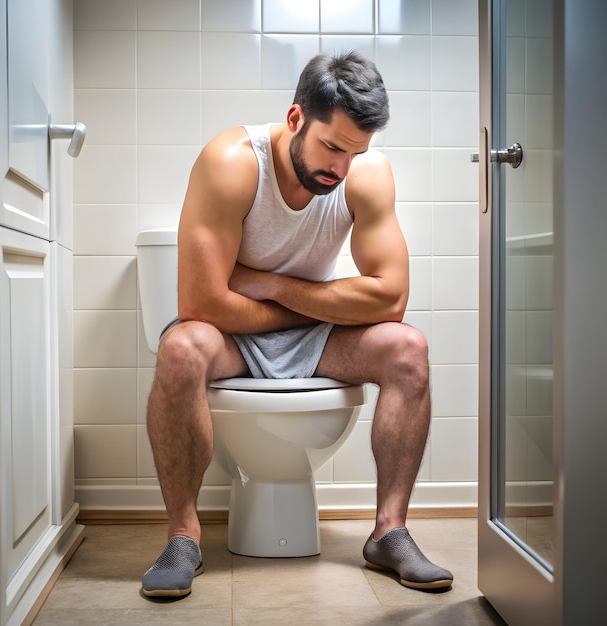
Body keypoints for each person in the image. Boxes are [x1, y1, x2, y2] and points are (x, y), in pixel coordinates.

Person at [141, 51, 453, 598]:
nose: (341, 168)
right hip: (233, 336)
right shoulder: (233, 162)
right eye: (331, 146)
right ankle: (183, 537)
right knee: (180, 350)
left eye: (356, 152)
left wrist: (276, 286)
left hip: (310, 330)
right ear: (295, 120)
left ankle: (389, 531)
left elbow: (392, 298)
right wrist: (319, 303)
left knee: (408, 348)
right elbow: (202, 303)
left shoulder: (365, 175)